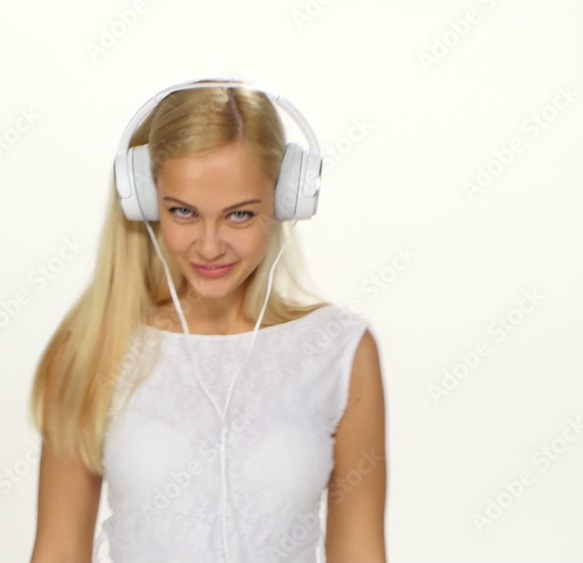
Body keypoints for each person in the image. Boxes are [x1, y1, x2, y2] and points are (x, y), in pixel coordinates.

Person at [28, 78, 387, 562]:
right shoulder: (92, 347)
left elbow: (361, 553)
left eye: (240, 215)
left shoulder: (339, 352)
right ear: (145, 202)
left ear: (285, 200)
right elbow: (58, 552)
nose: (211, 245)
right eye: (184, 212)